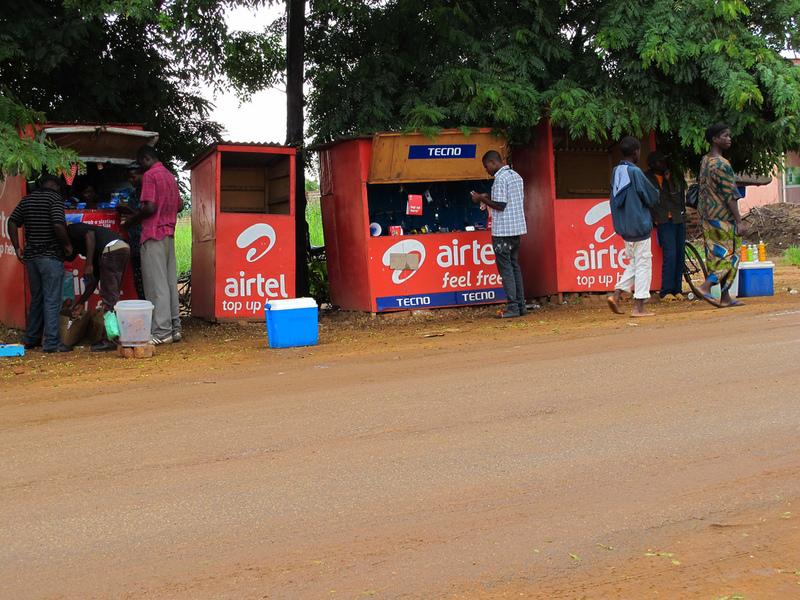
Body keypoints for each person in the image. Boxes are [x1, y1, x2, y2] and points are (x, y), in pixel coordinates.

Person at [7, 175, 74, 353]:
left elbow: (12, 221)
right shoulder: (55, 199)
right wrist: (67, 244)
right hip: (50, 256)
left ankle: (31, 339)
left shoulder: (27, 200)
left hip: (32, 258)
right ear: (57, 187)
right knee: (52, 299)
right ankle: (52, 342)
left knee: (38, 298)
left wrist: (17, 248)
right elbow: (58, 225)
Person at [122, 145, 182, 344]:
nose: (140, 167)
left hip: (152, 234)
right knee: (170, 283)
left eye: (140, 163)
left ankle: (162, 332)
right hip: (169, 234)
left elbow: (150, 207)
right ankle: (175, 328)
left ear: (145, 159)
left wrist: (132, 219)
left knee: (156, 285)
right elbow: (180, 205)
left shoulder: (150, 175)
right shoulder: (170, 176)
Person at [470, 150, 528, 319]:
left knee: (506, 271)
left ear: (493, 162)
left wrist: (481, 198)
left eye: (486, 166)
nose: (486, 170)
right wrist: (489, 197)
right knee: (514, 268)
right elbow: (507, 201)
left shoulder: (500, 179)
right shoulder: (516, 176)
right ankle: (521, 306)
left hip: (503, 231)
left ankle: (512, 307)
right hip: (516, 230)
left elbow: (500, 206)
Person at [607, 137, 660, 317]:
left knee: (635, 263)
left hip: (625, 228)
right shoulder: (635, 172)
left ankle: (616, 295)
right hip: (639, 225)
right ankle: (638, 307)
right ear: (637, 151)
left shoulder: (617, 171)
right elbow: (651, 196)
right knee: (644, 265)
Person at [695, 124, 746, 308]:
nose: (729, 139)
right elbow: (730, 195)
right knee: (729, 255)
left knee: (715, 255)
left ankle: (725, 297)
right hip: (723, 216)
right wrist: (739, 221)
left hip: (706, 215)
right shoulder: (722, 164)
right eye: (725, 136)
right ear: (715, 139)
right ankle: (705, 287)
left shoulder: (705, 160)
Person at [66, 223, 131, 352]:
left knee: (110, 298)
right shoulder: (94, 249)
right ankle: (111, 337)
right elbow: (94, 279)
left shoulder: (71, 230)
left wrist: (88, 264)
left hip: (111, 250)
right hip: (120, 248)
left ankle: (111, 341)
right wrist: (81, 302)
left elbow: (90, 234)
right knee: (111, 296)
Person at [645, 151, 687, 301]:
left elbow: (676, 199)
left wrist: (669, 181)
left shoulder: (670, 176)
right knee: (670, 255)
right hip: (663, 220)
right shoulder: (646, 178)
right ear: (652, 164)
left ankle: (677, 289)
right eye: (660, 162)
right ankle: (666, 291)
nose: (663, 164)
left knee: (680, 255)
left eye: (664, 161)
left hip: (677, 218)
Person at [116, 165, 146, 300]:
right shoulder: (133, 194)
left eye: (133, 177)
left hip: (145, 241)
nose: (131, 180)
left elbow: (146, 216)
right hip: (134, 243)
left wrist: (128, 208)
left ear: (142, 176)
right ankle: (142, 303)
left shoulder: (147, 193)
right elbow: (133, 217)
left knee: (147, 279)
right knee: (138, 280)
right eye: (129, 177)